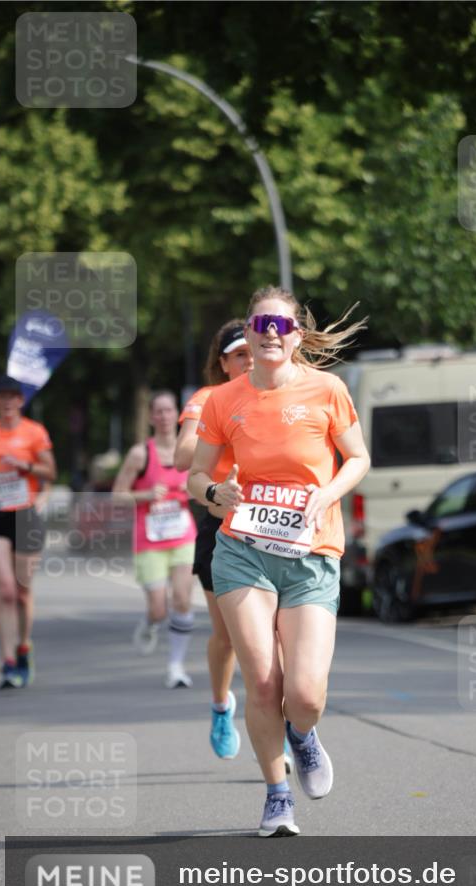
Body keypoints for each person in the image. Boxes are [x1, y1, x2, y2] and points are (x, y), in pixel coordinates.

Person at [189, 286, 370, 836]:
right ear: (247, 330)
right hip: (243, 552)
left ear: (296, 335)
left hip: (311, 554)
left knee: (305, 694)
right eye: (260, 323)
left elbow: (358, 458)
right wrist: (215, 493)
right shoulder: (225, 400)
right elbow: (196, 476)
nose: (269, 333)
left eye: (280, 325)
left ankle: (303, 734)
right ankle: (276, 795)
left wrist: (328, 492)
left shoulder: (327, 389)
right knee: (263, 682)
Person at [175, 320, 252, 758]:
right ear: (222, 364)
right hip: (220, 519)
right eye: (238, 354)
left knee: (277, 632)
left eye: (252, 352)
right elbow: (183, 455)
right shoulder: (209, 399)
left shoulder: (278, 394)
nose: (248, 361)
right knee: (227, 634)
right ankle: (222, 705)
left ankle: (273, 717)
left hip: (272, 521)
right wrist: (224, 432)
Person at [113, 390, 197, 689]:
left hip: (183, 536)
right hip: (150, 540)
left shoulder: (190, 450)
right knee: (160, 609)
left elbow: (207, 483)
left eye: (169, 410)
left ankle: (176, 666)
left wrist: (195, 490)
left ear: (178, 414)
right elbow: (117, 495)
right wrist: (145, 495)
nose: (164, 417)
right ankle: (150, 622)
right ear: (150, 417)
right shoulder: (140, 454)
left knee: (184, 600)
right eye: (158, 412)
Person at [0, 375, 57, 689]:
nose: (7, 402)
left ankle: (24, 645)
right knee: (5, 590)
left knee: (23, 590)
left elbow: (50, 471)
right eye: (2, 397)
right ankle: (8, 661)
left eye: (13, 397)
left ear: (20, 401)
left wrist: (25, 466)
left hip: (25, 513)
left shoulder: (34, 432)